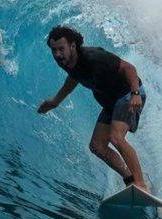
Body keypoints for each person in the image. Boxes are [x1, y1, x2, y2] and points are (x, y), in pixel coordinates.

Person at [36, 25, 152, 196]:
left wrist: (135, 94)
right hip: (111, 102)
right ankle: (130, 180)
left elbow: (129, 68)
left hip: (128, 94)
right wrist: (55, 101)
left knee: (116, 137)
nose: (57, 54)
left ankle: (141, 184)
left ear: (73, 46)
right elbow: (73, 79)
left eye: (61, 49)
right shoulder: (66, 62)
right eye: (54, 50)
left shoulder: (94, 57)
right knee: (97, 146)